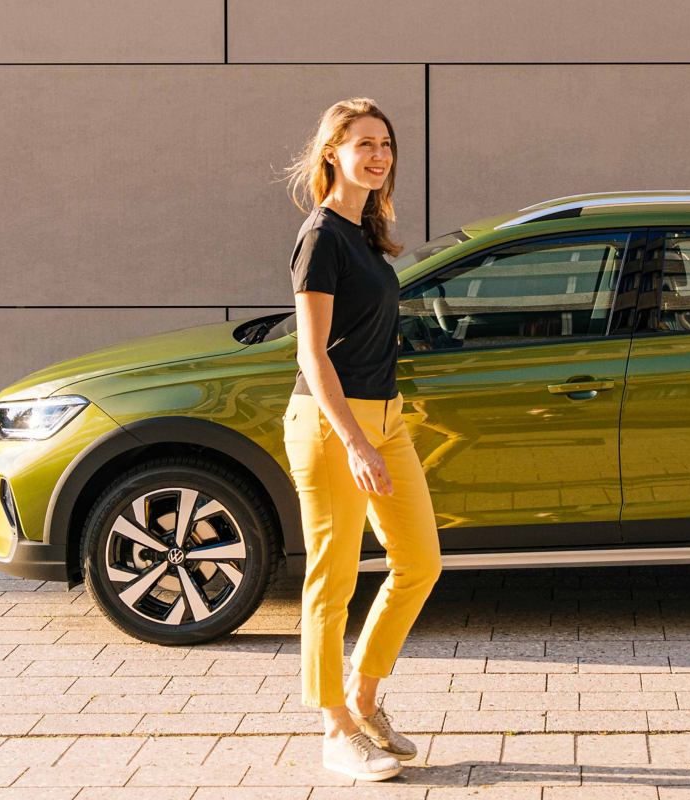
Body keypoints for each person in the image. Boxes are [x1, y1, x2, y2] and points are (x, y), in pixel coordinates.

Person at [279, 97, 443, 781]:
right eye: (363, 144)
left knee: (420, 562)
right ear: (331, 153)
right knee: (332, 580)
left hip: (385, 417)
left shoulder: (365, 230)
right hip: (330, 424)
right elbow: (312, 355)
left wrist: (381, 431)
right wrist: (355, 441)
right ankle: (334, 727)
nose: (378, 155)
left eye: (385, 144)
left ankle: (364, 697)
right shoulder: (321, 235)